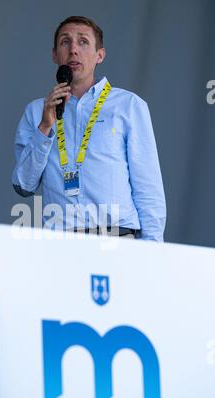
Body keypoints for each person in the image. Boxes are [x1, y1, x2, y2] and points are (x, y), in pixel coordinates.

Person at [12, 16, 166, 241]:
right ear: (55, 54)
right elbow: (23, 185)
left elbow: (148, 186)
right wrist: (45, 127)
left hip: (118, 239)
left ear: (99, 55)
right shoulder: (37, 111)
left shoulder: (129, 106)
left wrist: (153, 250)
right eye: (65, 42)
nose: (73, 49)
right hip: (60, 243)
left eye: (83, 42)